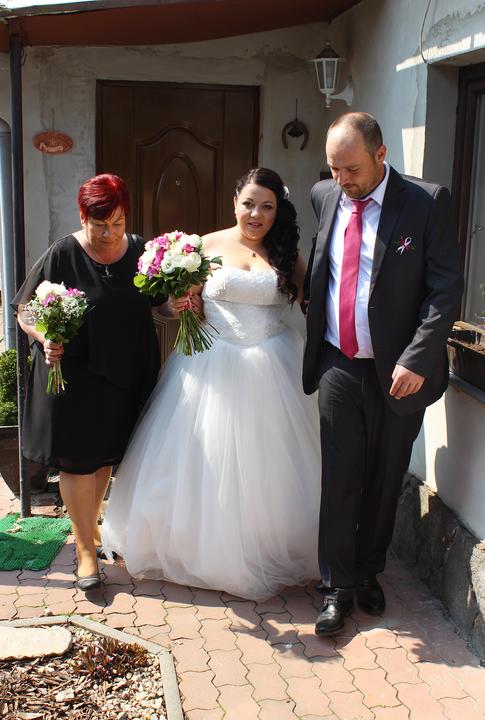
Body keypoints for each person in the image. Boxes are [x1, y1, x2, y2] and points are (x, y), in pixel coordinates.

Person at [102, 167, 321, 601]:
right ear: (234, 202)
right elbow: (166, 311)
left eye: (267, 207)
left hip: (273, 366)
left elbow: (314, 303)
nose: (256, 214)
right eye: (249, 204)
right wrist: (178, 306)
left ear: (278, 210)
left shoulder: (286, 254)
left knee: (268, 468)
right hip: (209, 365)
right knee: (205, 461)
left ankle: (262, 547)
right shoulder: (204, 247)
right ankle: (198, 549)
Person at [303, 112, 463, 636]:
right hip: (338, 360)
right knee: (339, 475)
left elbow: (444, 290)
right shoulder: (324, 195)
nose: (341, 179)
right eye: (334, 168)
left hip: (399, 369)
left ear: (380, 155)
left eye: (351, 169)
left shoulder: (426, 202)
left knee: (385, 475)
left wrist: (418, 357)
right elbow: (322, 268)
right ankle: (336, 586)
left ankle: (369, 570)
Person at [13, 174, 161, 591]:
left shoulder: (139, 251)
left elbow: (160, 305)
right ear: (83, 218)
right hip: (73, 374)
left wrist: (181, 302)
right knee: (78, 460)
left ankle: (91, 531)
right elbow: (25, 310)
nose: (110, 233)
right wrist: (44, 336)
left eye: (117, 223)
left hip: (124, 371)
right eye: (100, 225)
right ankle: (84, 552)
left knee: (104, 457)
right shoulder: (63, 252)